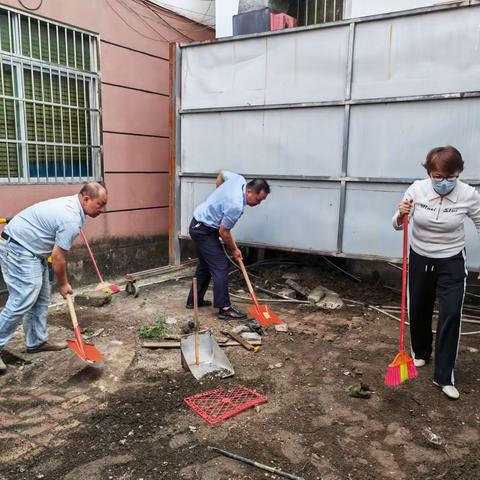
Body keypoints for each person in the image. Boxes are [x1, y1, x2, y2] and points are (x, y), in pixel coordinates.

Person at [392, 146, 480, 399]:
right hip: (420, 256)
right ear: (429, 173)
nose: (442, 182)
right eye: (437, 176)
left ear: (459, 172)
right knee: (419, 306)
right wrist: (401, 213)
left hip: (451, 259)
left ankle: (444, 375)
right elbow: (396, 224)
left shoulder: (469, 195)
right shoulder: (417, 189)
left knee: (451, 312)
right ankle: (420, 352)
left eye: (449, 177)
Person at [0, 182, 108, 373]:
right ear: (86, 199)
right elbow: (58, 257)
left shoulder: (73, 208)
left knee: (41, 297)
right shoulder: (70, 219)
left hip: (31, 251)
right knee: (23, 298)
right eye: (100, 204)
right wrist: (64, 284)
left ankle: (36, 342)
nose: (102, 209)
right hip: (18, 248)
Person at [186, 171, 270, 320]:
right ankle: (225, 308)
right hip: (203, 230)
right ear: (249, 191)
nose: (258, 203)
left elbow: (222, 173)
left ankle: (194, 300)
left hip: (199, 224)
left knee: (206, 265)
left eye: (261, 200)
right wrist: (234, 250)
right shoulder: (235, 205)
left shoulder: (239, 180)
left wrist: (219, 192)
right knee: (220, 265)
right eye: (258, 199)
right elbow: (224, 232)